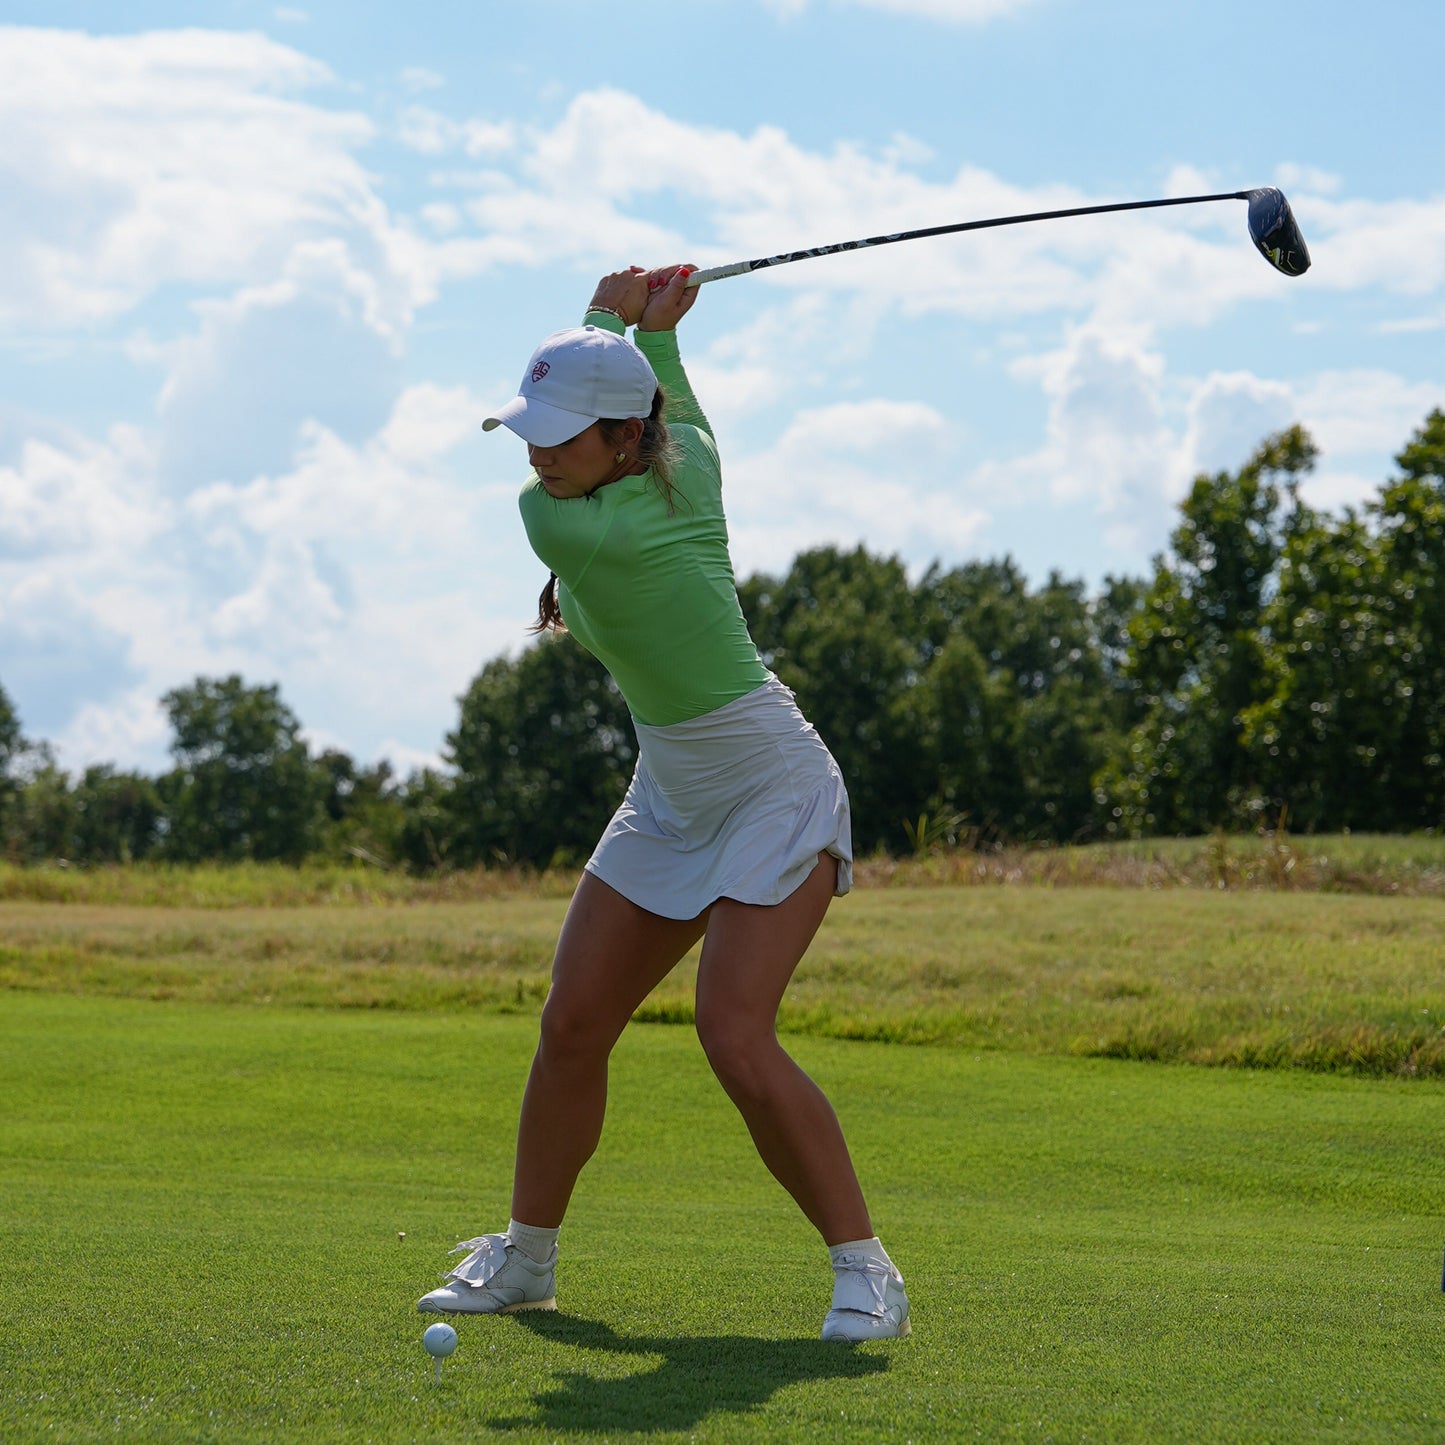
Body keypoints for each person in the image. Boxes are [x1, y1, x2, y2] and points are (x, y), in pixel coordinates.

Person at [416, 264, 909, 1342]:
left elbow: (647, 398)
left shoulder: (570, 526)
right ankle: (525, 1258)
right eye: (531, 430)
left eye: (559, 431)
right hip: (672, 786)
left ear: (620, 440)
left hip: (771, 785)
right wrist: (650, 334)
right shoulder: (687, 454)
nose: (537, 451)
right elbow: (670, 397)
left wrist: (611, 313)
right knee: (574, 1020)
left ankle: (865, 1270)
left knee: (731, 1031)